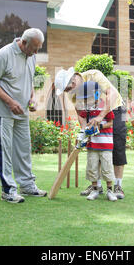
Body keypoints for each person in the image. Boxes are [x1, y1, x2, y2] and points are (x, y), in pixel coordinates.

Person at [0, 28, 47, 204]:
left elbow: (28, 81)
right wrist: (10, 102)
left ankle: (27, 185)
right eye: (35, 48)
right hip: (3, 112)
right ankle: (8, 191)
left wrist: (32, 98)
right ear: (24, 42)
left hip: (22, 113)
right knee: (4, 151)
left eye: (39, 48)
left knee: (23, 150)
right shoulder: (5, 54)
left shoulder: (31, 56)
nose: (37, 52)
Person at [55, 67, 127, 199]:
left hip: (114, 109)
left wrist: (101, 116)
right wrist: (85, 131)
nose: (68, 92)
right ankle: (96, 186)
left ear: (74, 81)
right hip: (91, 114)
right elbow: (80, 113)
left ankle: (117, 186)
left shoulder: (94, 75)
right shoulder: (73, 93)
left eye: (67, 89)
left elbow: (112, 94)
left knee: (117, 148)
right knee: (95, 149)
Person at [76, 81, 117, 201]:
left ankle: (110, 190)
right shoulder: (87, 109)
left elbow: (111, 123)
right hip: (92, 144)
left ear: (96, 94)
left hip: (106, 144)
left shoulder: (105, 107)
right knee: (92, 168)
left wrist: (100, 127)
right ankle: (95, 190)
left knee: (107, 168)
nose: (86, 101)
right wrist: (84, 132)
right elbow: (82, 118)